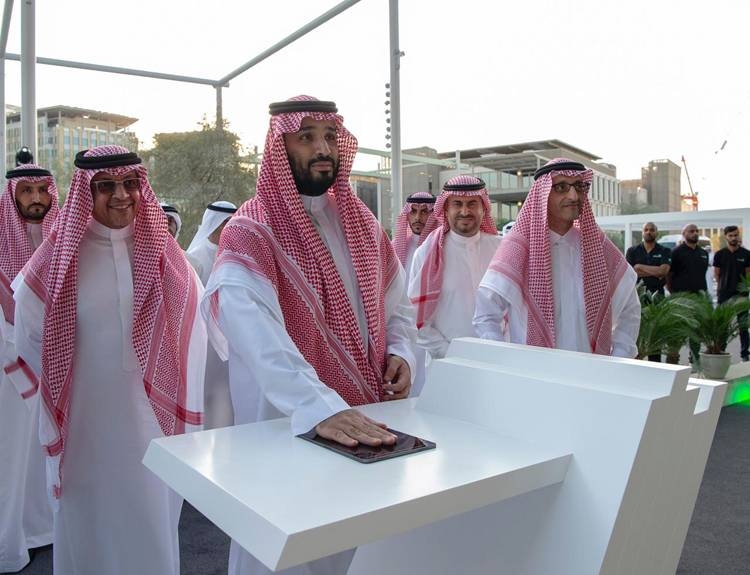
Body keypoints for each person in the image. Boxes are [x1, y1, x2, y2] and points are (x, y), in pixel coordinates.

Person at [202, 96, 416, 575]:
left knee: (356, 547)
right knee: (283, 550)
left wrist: (402, 351)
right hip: (285, 424)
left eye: (329, 136)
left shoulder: (362, 224)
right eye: (307, 137)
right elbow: (256, 334)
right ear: (281, 146)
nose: (322, 148)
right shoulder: (251, 230)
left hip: (366, 424)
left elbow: (396, 305)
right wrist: (319, 406)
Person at [12, 146, 206, 575]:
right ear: (86, 192)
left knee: (151, 524)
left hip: (152, 426)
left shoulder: (166, 258)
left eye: (130, 183)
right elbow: (28, 334)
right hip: (84, 429)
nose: (122, 195)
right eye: (106, 186)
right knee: (89, 528)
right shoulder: (57, 263)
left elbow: (197, 327)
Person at [474, 158, 640, 357]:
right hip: (533, 376)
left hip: (591, 374)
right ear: (543, 195)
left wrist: (619, 357)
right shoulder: (518, 248)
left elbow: (630, 309)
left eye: (579, 186)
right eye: (561, 187)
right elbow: (486, 315)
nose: (573, 195)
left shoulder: (598, 247)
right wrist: (504, 361)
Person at [0, 164, 58, 573]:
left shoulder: (60, 242)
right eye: (27, 191)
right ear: (12, 197)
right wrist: (19, 351)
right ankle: (11, 540)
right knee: (12, 456)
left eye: (42, 190)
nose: (36, 198)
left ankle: (44, 529)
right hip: (8, 372)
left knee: (46, 452)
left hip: (55, 366)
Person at [408, 176, 500, 363]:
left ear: (484, 208)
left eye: (472, 204)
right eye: (457, 204)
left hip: (496, 360)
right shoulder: (426, 254)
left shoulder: (501, 249)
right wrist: (450, 353)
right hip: (446, 363)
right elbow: (415, 318)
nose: (465, 211)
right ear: (446, 209)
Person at [186, 200, 237, 429]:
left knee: (229, 396)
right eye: (223, 224)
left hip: (232, 340)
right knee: (206, 393)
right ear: (212, 225)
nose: (227, 229)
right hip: (204, 341)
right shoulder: (194, 258)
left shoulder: (236, 256)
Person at [626, 221, 671, 361]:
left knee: (655, 332)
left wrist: (640, 267)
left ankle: (655, 362)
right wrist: (654, 271)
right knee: (636, 329)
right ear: (642, 232)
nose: (649, 232)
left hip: (657, 296)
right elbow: (631, 273)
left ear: (656, 232)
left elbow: (664, 271)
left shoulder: (664, 251)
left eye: (652, 230)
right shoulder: (633, 251)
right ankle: (636, 361)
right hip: (637, 296)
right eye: (646, 229)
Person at [667, 223, 709, 367]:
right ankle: (673, 362)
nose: (695, 233)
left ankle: (695, 360)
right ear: (684, 234)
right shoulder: (676, 252)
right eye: (691, 231)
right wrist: (675, 294)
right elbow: (669, 276)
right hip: (681, 298)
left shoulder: (703, 253)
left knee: (696, 331)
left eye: (697, 231)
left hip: (699, 298)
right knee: (678, 331)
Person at [713, 225, 750, 361]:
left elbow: (748, 275)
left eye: (736, 235)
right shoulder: (719, 254)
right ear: (726, 237)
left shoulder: (746, 254)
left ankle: (745, 354)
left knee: (743, 326)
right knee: (723, 325)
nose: (734, 238)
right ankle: (721, 350)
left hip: (741, 296)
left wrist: (745, 290)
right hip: (724, 295)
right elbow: (717, 274)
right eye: (731, 235)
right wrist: (723, 287)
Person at [186, 201, 238, 285]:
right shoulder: (194, 257)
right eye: (226, 222)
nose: (231, 227)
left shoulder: (239, 256)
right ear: (213, 224)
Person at [391, 191, 435, 278]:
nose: (417, 217)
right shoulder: (394, 247)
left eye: (424, 212)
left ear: (433, 215)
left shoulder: (440, 246)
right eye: (413, 211)